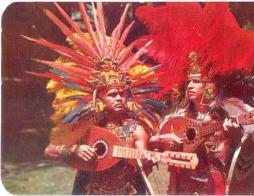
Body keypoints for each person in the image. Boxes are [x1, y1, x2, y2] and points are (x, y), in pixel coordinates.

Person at [25, 2, 164, 194]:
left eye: (122, 94)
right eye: (113, 94)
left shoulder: (136, 128)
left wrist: (150, 158)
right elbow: (49, 150)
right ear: (99, 98)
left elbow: (142, 156)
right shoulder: (85, 126)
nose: (119, 99)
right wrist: (74, 151)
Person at [136, 2, 254, 195]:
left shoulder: (229, 111)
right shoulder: (178, 117)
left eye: (197, 82)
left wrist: (235, 135)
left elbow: (247, 145)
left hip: (215, 185)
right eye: (189, 82)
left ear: (209, 85)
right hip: (182, 186)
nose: (190, 87)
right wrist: (162, 139)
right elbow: (152, 145)